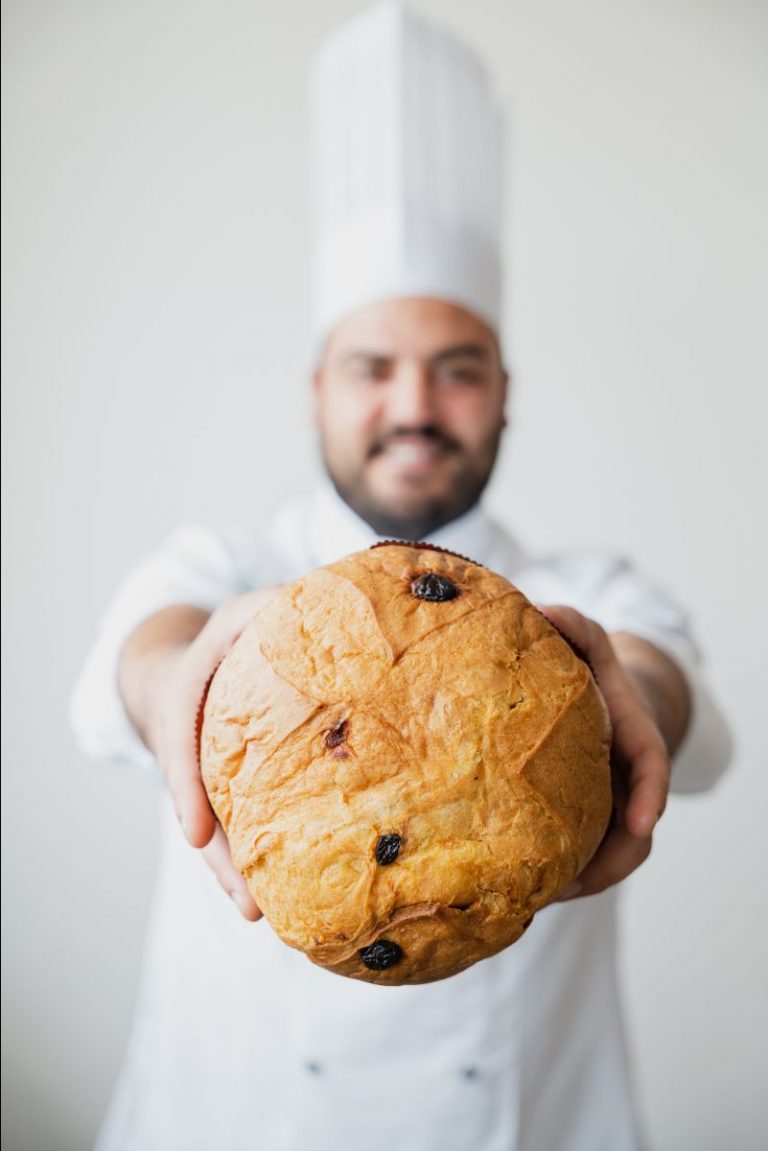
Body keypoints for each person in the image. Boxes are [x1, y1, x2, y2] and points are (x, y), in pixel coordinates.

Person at [70, 5, 732, 1150]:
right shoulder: (230, 572)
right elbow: (138, 653)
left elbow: (666, 681)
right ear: (318, 386)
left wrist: (636, 707)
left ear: (507, 392)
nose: (414, 406)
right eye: (373, 367)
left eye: (457, 372)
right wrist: (180, 676)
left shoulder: (579, 595)